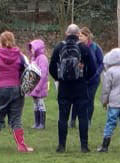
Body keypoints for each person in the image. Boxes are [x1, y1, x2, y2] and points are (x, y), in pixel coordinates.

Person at [0, 30, 33, 152]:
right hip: (16, 89)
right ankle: (21, 145)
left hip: (0, 90)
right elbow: (27, 72)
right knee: (16, 118)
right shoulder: (19, 55)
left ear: (1, 42)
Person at [49, 23, 93, 153]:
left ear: (66, 33)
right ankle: (84, 146)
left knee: (63, 117)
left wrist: (59, 78)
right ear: (78, 34)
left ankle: (61, 146)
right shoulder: (84, 48)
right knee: (83, 117)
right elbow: (93, 67)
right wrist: (85, 78)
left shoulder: (59, 47)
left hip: (64, 87)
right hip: (80, 86)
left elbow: (51, 67)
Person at [80, 27, 104, 127]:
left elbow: (102, 63)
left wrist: (97, 73)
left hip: (93, 80)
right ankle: (76, 119)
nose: (79, 37)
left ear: (87, 36)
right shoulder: (78, 47)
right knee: (80, 100)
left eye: (81, 36)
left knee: (90, 99)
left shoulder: (95, 47)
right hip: (81, 79)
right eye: (79, 36)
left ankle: (88, 120)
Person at [28, 38, 50, 129]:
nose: (31, 51)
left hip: (40, 86)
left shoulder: (42, 58)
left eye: (32, 48)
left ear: (37, 48)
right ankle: (37, 122)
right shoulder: (33, 58)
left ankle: (42, 123)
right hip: (34, 85)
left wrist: (38, 86)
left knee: (41, 104)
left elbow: (43, 74)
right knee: (35, 104)